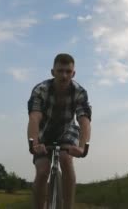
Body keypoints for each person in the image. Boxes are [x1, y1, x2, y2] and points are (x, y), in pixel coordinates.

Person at [27, 53, 92, 209]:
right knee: (42, 171)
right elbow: (34, 118)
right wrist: (34, 143)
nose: (64, 75)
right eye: (60, 71)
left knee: (66, 159)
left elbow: (84, 121)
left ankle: (68, 206)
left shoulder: (79, 92)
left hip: (67, 131)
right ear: (52, 72)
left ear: (73, 73)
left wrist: (82, 147)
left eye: (68, 72)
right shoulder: (40, 90)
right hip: (43, 132)